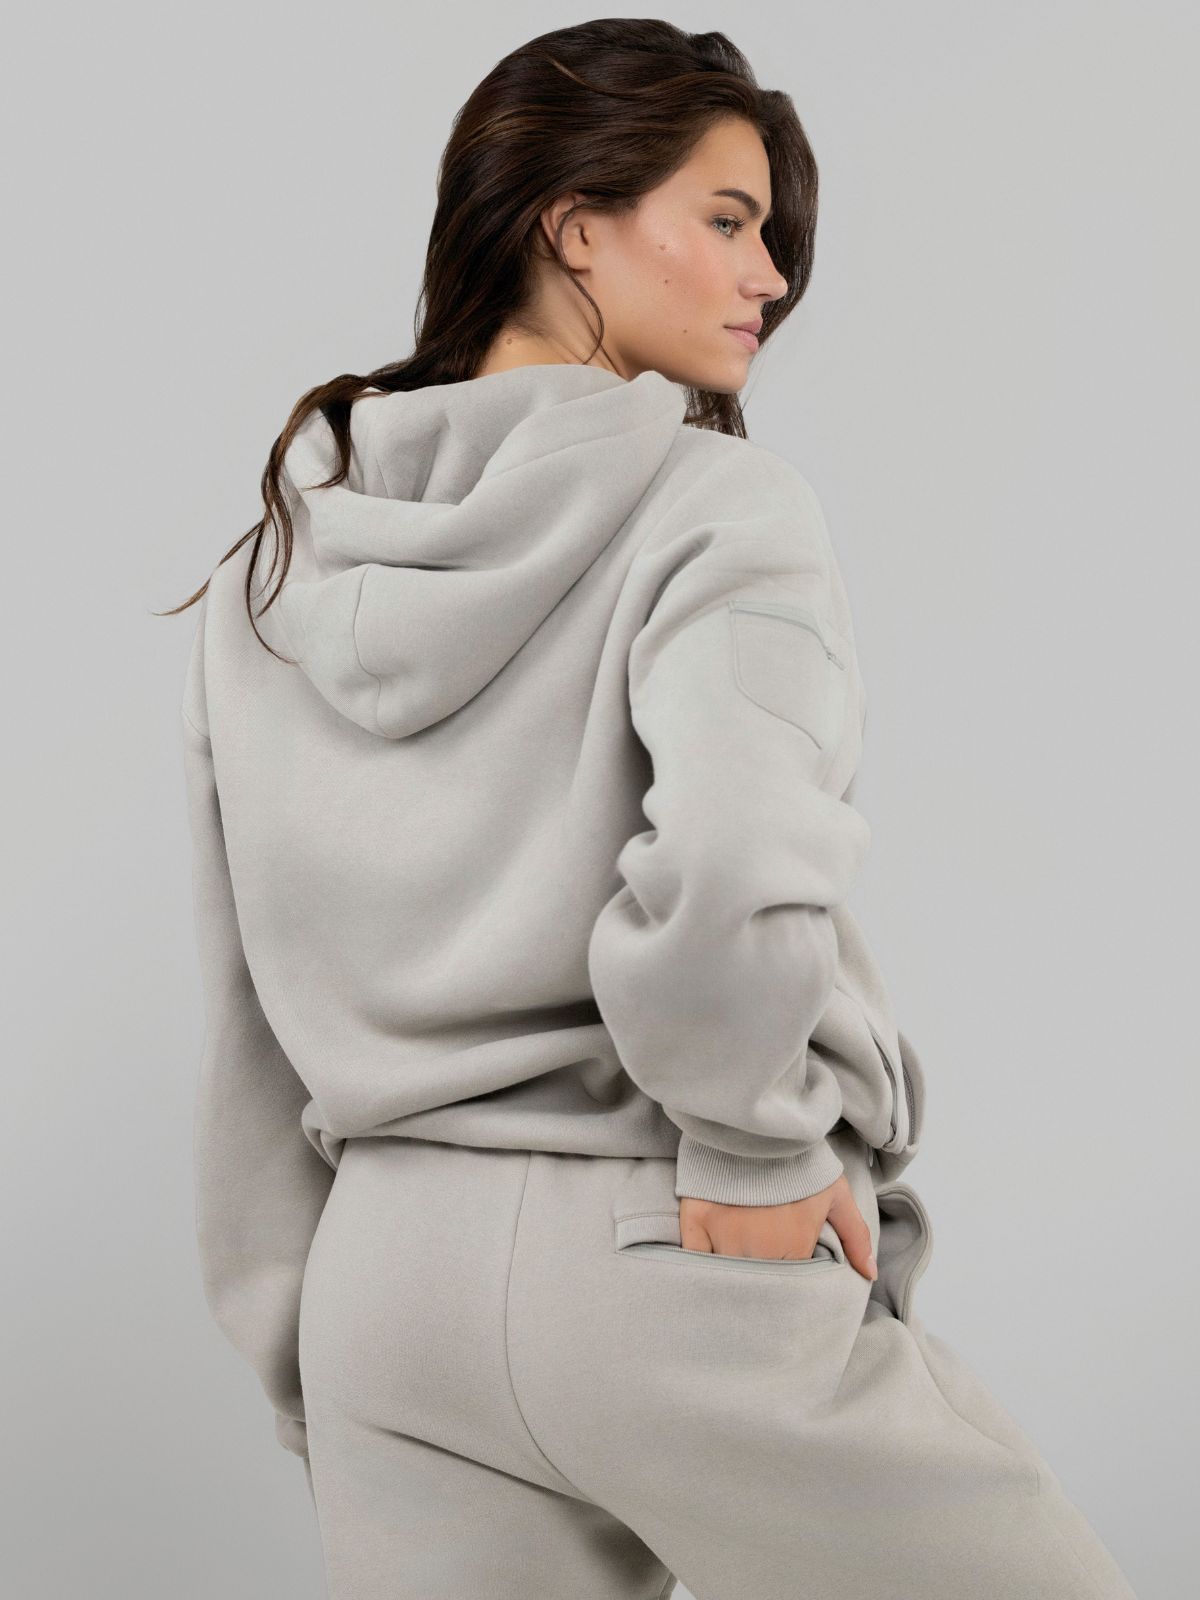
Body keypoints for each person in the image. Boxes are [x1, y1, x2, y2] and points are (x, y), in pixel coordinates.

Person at [165, 19, 1140, 1599]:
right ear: (575, 227)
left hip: (381, 1288)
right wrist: (757, 1153)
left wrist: (310, 1344)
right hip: (663, 1244)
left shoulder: (269, 570)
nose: (772, 277)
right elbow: (735, 859)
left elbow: (246, 1011)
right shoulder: (716, 506)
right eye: (729, 220)